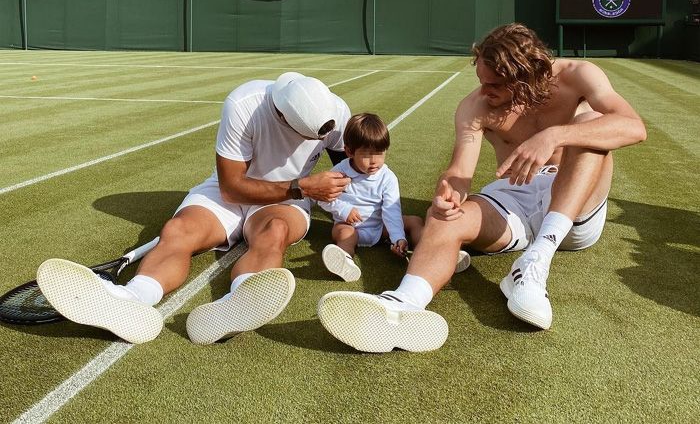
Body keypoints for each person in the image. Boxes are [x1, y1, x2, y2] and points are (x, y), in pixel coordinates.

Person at [317, 23, 647, 353]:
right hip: (514, 195)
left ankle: (535, 262)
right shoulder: (475, 107)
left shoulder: (579, 75)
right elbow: (460, 170)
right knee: (444, 217)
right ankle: (401, 306)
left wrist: (554, 136)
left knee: (589, 124)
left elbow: (633, 127)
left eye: (495, 84)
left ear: (527, 74)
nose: (484, 91)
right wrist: (448, 195)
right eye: (481, 81)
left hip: (574, 205)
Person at [37, 72, 351, 345]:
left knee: (275, 231)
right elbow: (231, 187)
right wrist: (304, 187)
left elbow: (355, 173)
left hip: (284, 201)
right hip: (235, 189)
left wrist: (353, 219)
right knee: (177, 230)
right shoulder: (245, 103)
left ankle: (242, 300)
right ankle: (133, 299)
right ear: (282, 117)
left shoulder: (335, 113)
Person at [318, 112, 471, 283]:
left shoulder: (387, 177)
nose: (374, 161)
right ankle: (345, 260)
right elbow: (322, 198)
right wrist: (344, 210)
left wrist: (398, 238)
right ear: (349, 151)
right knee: (344, 233)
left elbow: (391, 210)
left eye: (380, 153)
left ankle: (439, 253)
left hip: (379, 226)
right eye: (367, 154)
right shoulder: (339, 172)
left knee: (413, 221)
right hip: (350, 225)